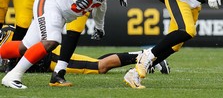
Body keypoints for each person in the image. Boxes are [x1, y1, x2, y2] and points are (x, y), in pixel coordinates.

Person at [0, 0, 127, 89]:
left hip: (61, 14)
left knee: (25, 47)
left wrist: (99, 27)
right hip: (50, 2)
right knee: (52, 41)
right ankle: (13, 76)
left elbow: (101, 6)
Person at [0, 25, 170, 75]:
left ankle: (149, 56)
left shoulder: (7, 36)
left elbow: (16, 49)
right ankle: (145, 57)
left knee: (100, 67)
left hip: (51, 58)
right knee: (95, 62)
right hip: (48, 60)